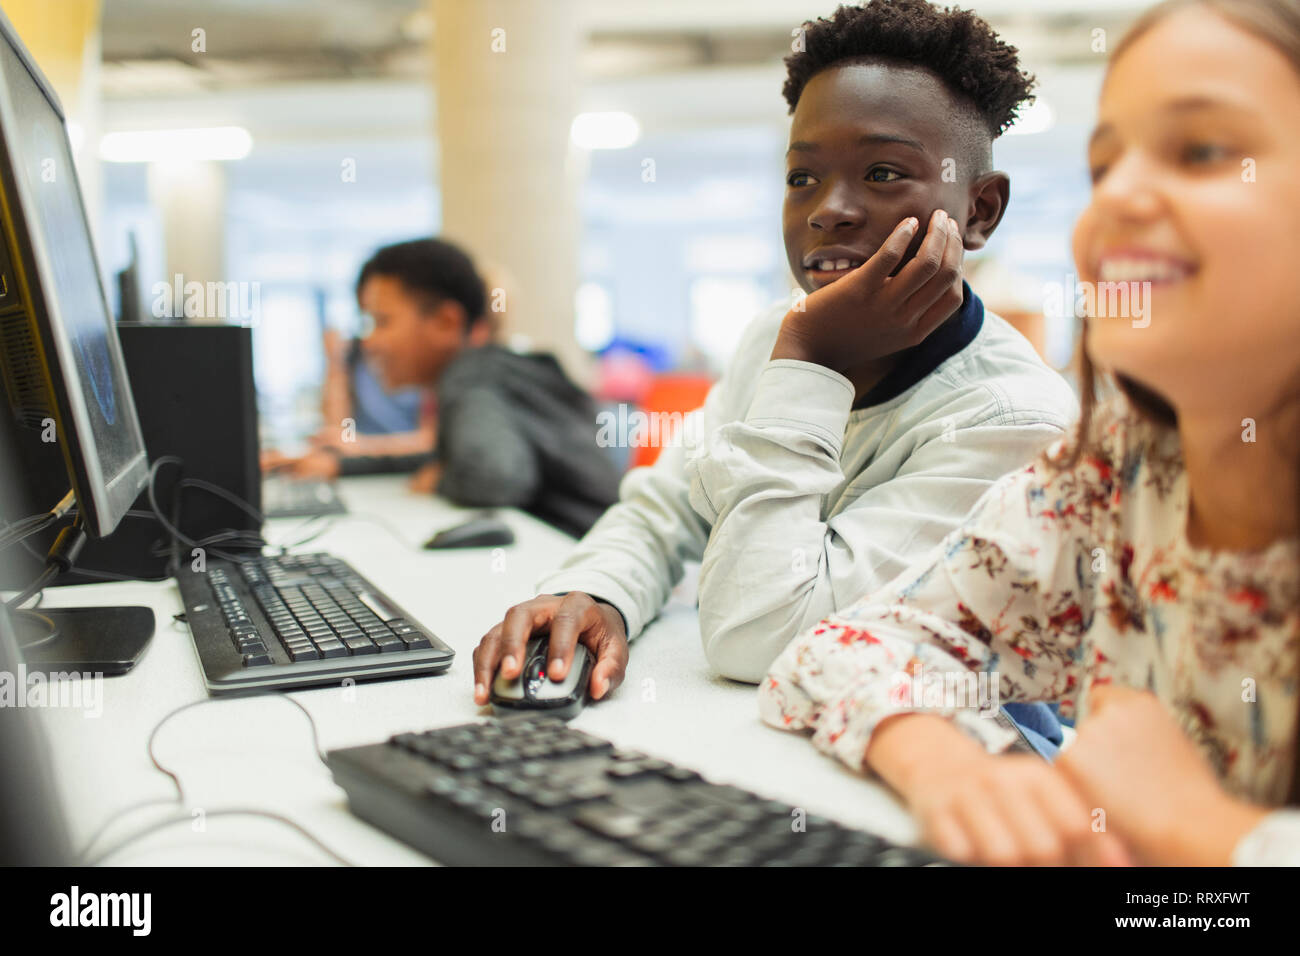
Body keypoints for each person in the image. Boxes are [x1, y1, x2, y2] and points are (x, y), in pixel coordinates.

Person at [761, 0, 1300, 867]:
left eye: (1200, 151)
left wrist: (1209, 838)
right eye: (1105, 164)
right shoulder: (1120, 476)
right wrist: (944, 762)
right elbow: (837, 645)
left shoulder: (1018, 412)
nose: (1118, 196)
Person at [471, 0, 1079, 711]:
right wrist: (598, 591)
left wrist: (810, 362)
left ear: (979, 212)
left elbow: (759, 639)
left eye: (883, 173)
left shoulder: (1015, 421)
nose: (828, 209)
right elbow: (670, 506)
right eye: (802, 177)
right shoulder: (777, 333)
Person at [268, 238, 621, 537]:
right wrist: (339, 466)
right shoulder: (487, 371)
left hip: (584, 568)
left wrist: (440, 479)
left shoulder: (472, 376)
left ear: (446, 322)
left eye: (382, 321)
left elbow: (494, 479)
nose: (369, 342)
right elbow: (443, 458)